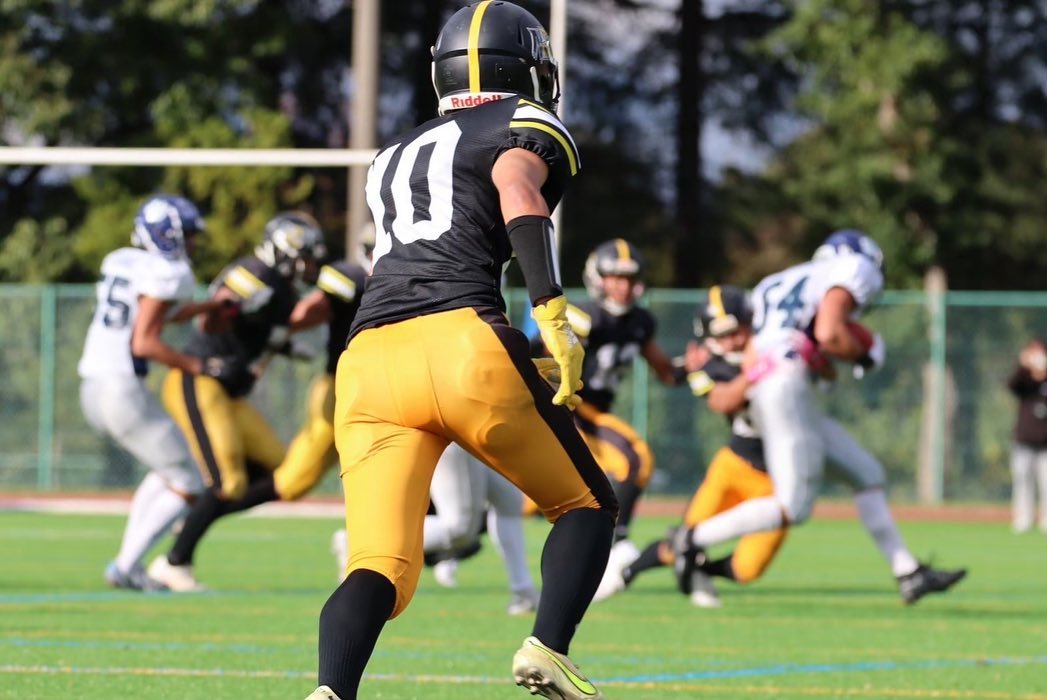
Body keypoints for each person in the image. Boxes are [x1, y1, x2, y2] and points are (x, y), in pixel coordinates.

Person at [305, 4, 617, 699]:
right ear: (526, 67)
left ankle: (330, 691)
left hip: (367, 361)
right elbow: (516, 188)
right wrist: (550, 309)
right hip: (460, 340)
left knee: (378, 564)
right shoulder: (521, 123)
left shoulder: (392, 154)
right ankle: (548, 649)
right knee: (586, 504)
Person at [673, 230, 967, 605]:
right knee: (793, 507)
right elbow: (829, 333)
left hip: (780, 388)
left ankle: (908, 572)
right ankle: (689, 539)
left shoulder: (774, 284)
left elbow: (771, 350)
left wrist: (814, 366)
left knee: (867, 473)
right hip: (785, 389)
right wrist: (863, 354)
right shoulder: (853, 267)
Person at [147, 212, 326, 592]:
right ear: (285, 252)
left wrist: (287, 347)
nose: (310, 266)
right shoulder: (254, 274)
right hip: (200, 380)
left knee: (278, 468)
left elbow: (263, 330)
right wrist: (230, 310)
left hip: (229, 393)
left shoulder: (283, 290)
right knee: (228, 482)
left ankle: (196, 515)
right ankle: (175, 563)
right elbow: (212, 320)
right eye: (306, 258)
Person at [595, 285, 788, 608]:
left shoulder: (779, 349)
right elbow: (716, 397)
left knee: (747, 569)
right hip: (735, 465)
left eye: (736, 331)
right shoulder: (715, 364)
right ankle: (626, 572)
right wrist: (743, 372)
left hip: (779, 480)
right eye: (722, 335)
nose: (731, 341)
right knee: (685, 539)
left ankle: (701, 570)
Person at [78, 194, 227, 590]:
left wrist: (208, 307)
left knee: (169, 472)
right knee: (191, 483)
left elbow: (159, 313)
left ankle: (128, 565)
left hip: (92, 386)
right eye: (189, 234)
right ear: (170, 234)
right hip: (121, 389)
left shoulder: (122, 260)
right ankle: (126, 566)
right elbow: (144, 342)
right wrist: (199, 366)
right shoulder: (169, 271)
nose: (193, 242)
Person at [527, 238, 686, 595]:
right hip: (569, 408)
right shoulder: (584, 316)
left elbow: (667, 372)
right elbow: (544, 355)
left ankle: (463, 534)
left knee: (530, 501)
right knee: (634, 458)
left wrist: (692, 366)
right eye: (615, 277)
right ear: (598, 278)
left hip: (593, 413)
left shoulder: (639, 322)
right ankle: (618, 544)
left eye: (629, 278)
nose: (623, 286)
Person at [1007, 338, 1047, 533]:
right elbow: (1012, 385)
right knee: (1023, 480)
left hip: (1045, 443)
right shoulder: (1025, 381)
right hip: (1024, 441)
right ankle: (1023, 517)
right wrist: (1024, 366)